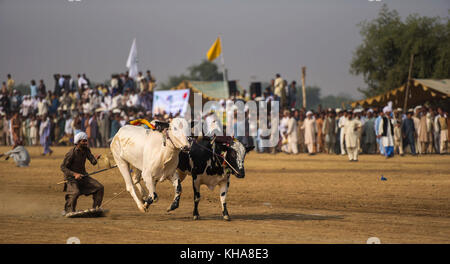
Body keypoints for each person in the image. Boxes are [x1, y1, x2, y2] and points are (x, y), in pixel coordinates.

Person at [60, 132, 104, 215]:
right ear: (78, 142)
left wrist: (96, 158)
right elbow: (63, 167)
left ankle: (95, 209)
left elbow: (93, 162)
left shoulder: (86, 149)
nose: (86, 143)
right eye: (84, 141)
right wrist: (75, 174)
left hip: (83, 176)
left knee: (99, 187)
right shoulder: (71, 153)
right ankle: (68, 210)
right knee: (75, 192)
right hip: (71, 178)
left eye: (86, 141)